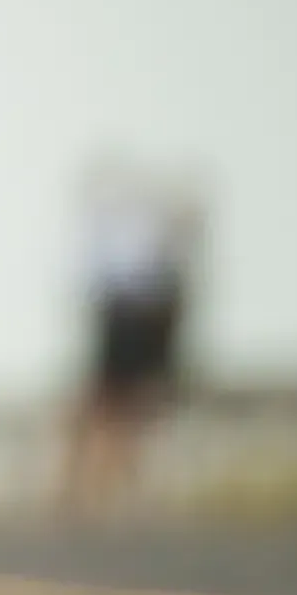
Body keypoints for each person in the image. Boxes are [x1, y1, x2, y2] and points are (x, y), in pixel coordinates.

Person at [61, 152, 203, 515]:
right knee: (110, 405)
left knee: (125, 407)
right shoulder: (122, 225)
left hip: (135, 314)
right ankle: (89, 487)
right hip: (128, 313)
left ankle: (107, 486)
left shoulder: (129, 226)